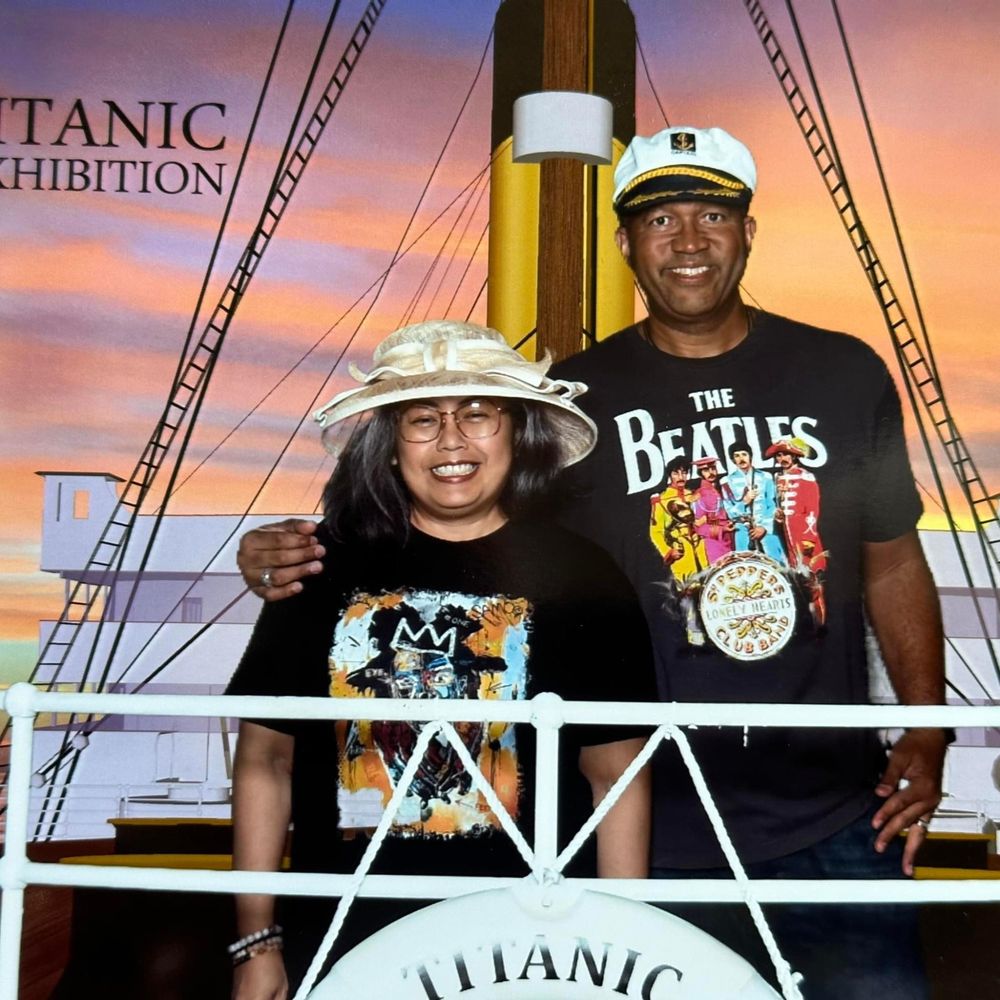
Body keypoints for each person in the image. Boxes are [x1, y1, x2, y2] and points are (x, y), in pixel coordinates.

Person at [235, 126, 947, 998]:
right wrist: (281, 556)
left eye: (712, 214)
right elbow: (463, 533)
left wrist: (927, 727)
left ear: (748, 231)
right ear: (625, 244)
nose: (688, 240)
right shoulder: (584, 394)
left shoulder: (844, 373)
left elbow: (892, 561)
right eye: (660, 220)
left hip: (830, 813)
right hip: (643, 830)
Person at [226, 320, 655, 999]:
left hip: (528, 948)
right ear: (391, 444)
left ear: (516, 433)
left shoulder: (585, 576)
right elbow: (264, 762)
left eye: (478, 414)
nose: (452, 440)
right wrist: (257, 941)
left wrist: (618, 946)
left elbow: (618, 780)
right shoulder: (318, 566)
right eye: (423, 419)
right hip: (340, 939)